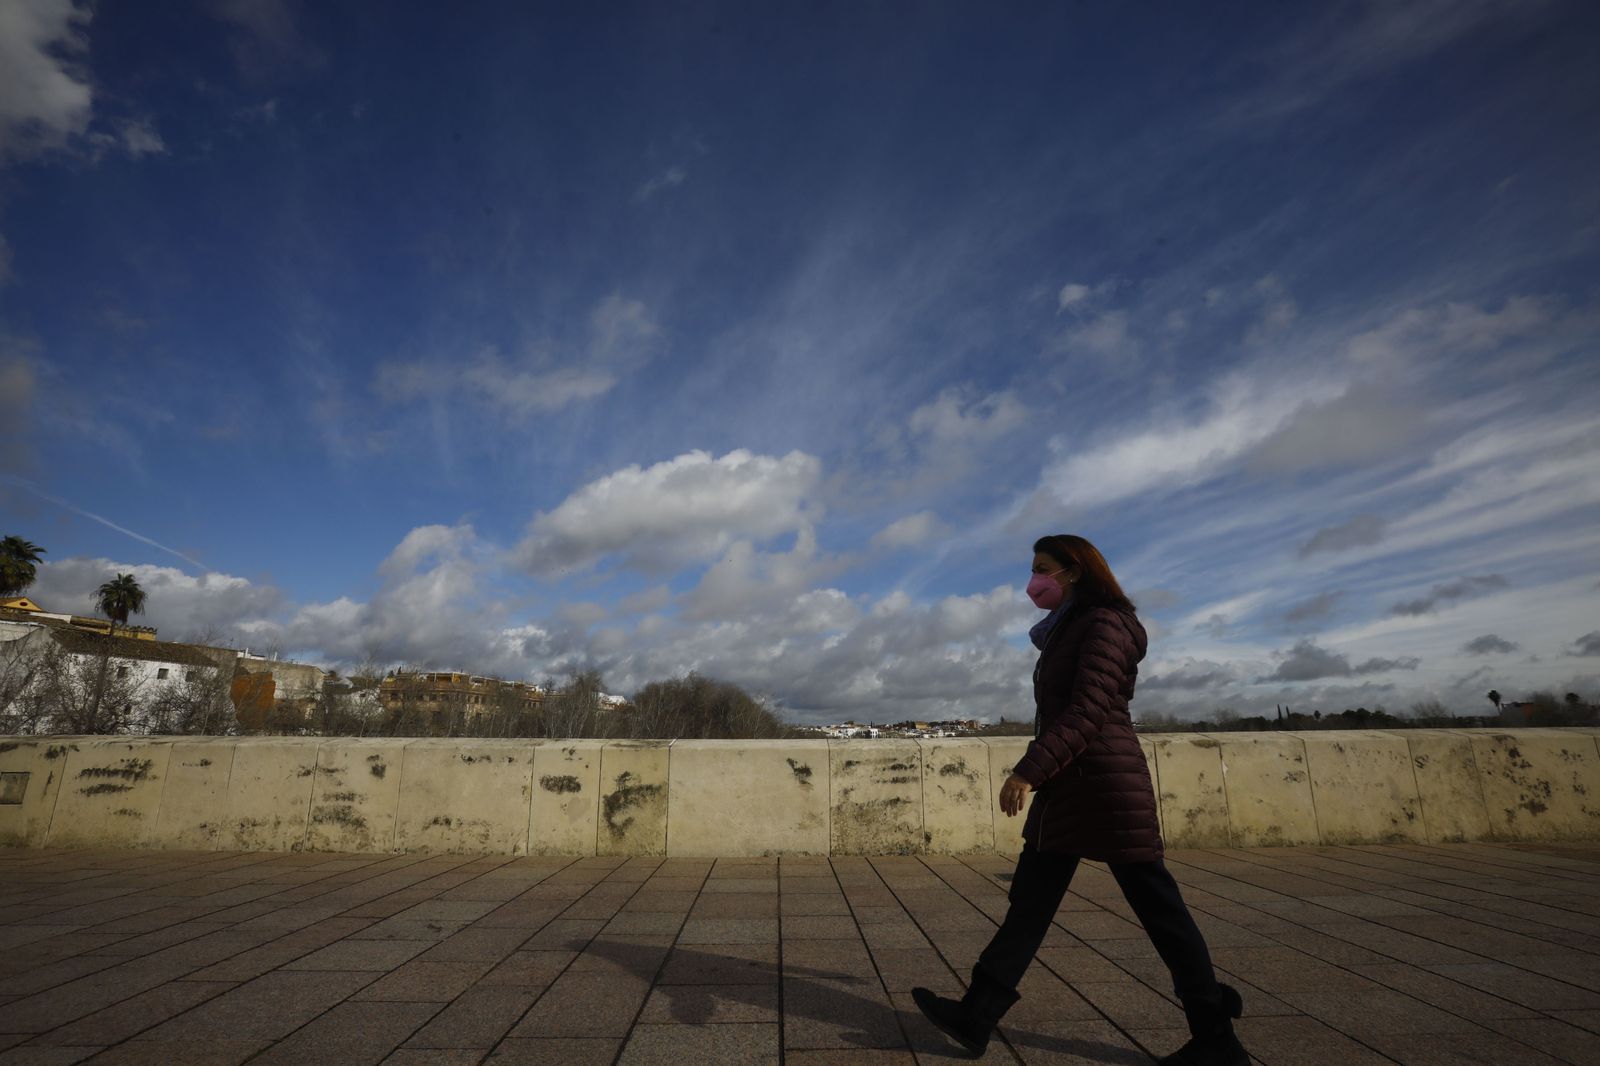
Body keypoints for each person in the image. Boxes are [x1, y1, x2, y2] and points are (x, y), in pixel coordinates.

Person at [912, 534, 1249, 1066]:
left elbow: (1088, 711)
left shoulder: (1104, 624)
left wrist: (1029, 770)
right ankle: (977, 1012)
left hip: (1105, 787)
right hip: (1071, 785)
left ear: (1073, 571)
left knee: (1160, 910)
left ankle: (1215, 1038)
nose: (1033, 581)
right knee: (1031, 901)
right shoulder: (1068, 628)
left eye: (1042, 568)